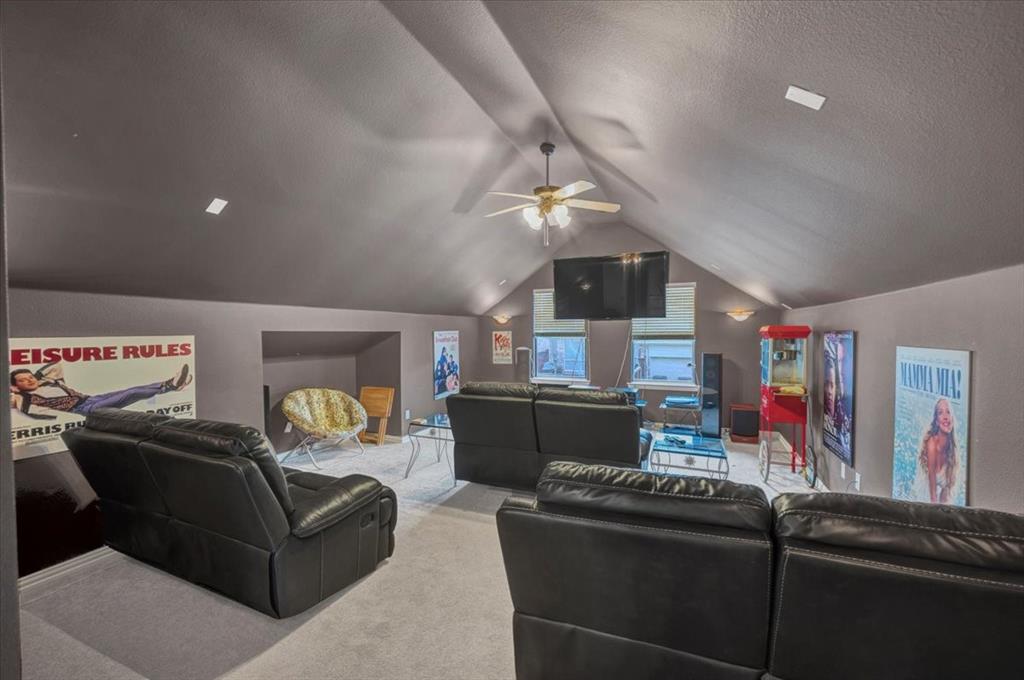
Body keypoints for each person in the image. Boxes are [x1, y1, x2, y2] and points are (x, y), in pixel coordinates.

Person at [10, 361, 192, 420]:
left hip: (90, 399)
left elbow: (56, 364)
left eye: (30, 376)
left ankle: (171, 384)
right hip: (84, 409)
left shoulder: (51, 381)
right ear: (15, 386)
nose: (30, 380)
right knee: (131, 394)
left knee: (131, 389)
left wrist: (37, 377)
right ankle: (172, 386)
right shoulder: (27, 398)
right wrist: (16, 392)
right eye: (23, 380)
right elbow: (14, 402)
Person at [917, 398, 958, 504]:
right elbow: (932, 495)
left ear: (952, 419)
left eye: (948, 412)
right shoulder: (932, 443)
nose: (945, 417)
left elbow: (946, 492)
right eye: (940, 413)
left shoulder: (952, 450)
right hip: (924, 496)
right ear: (936, 421)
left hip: (938, 499)